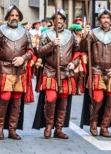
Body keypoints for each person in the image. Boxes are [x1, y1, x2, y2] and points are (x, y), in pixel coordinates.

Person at [0, 4, 34, 140]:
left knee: (16, 101)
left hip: (19, 71)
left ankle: (12, 129)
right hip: (3, 68)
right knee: (4, 98)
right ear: (8, 16)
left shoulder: (25, 32)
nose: (14, 17)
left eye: (17, 15)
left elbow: (31, 51)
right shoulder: (0, 30)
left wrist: (23, 58)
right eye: (12, 15)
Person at [32, 9, 81, 139]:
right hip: (50, 70)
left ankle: (58, 128)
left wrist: (74, 64)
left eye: (61, 19)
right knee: (50, 98)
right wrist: (51, 44)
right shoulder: (46, 34)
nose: (58, 21)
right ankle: (49, 125)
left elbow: (77, 53)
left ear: (64, 21)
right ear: (52, 21)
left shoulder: (71, 35)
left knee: (63, 102)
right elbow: (39, 52)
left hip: (66, 71)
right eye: (56, 19)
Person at [80, 9, 111, 138]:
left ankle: (104, 126)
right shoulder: (92, 33)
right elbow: (83, 49)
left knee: (110, 102)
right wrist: (85, 36)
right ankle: (93, 123)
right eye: (103, 17)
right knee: (97, 100)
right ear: (99, 20)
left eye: (107, 17)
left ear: (110, 20)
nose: (105, 20)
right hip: (96, 71)